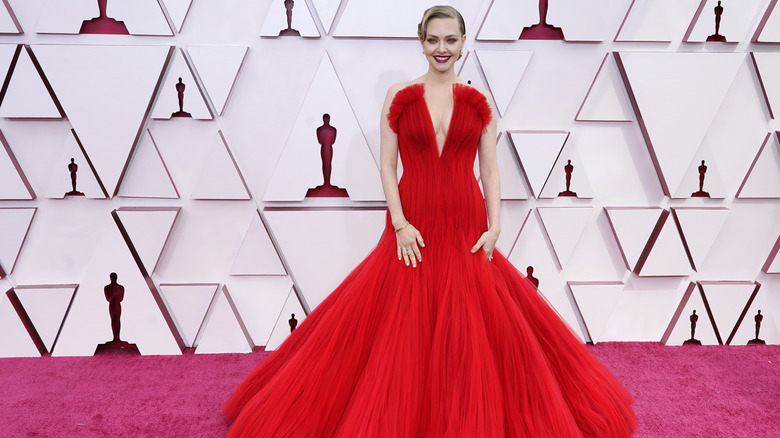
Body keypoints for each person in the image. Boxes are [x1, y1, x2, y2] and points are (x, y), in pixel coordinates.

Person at [223, 6, 636, 437]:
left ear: (463, 42)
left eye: (451, 40)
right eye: (434, 40)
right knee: (402, 324)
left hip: (465, 221)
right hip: (412, 224)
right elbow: (386, 165)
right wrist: (399, 224)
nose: (442, 49)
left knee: (471, 325)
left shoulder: (479, 101)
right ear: (421, 41)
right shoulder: (399, 96)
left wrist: (495, 226)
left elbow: (490, 168)